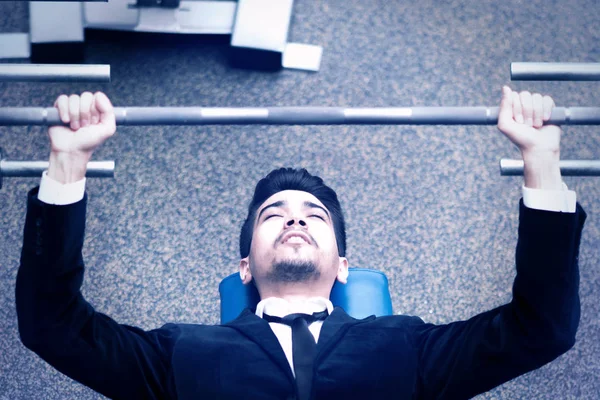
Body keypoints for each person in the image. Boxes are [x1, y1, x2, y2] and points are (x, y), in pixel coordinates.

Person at [16, 87, 586, 400]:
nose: (294, 221)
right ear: (244, 266)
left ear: (344, 267)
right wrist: (68, 162)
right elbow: (53, 326)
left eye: (313, 215)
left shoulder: (407, 347)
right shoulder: (178, 354)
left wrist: (541, 164)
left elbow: (541, 329)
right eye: (273, 215)